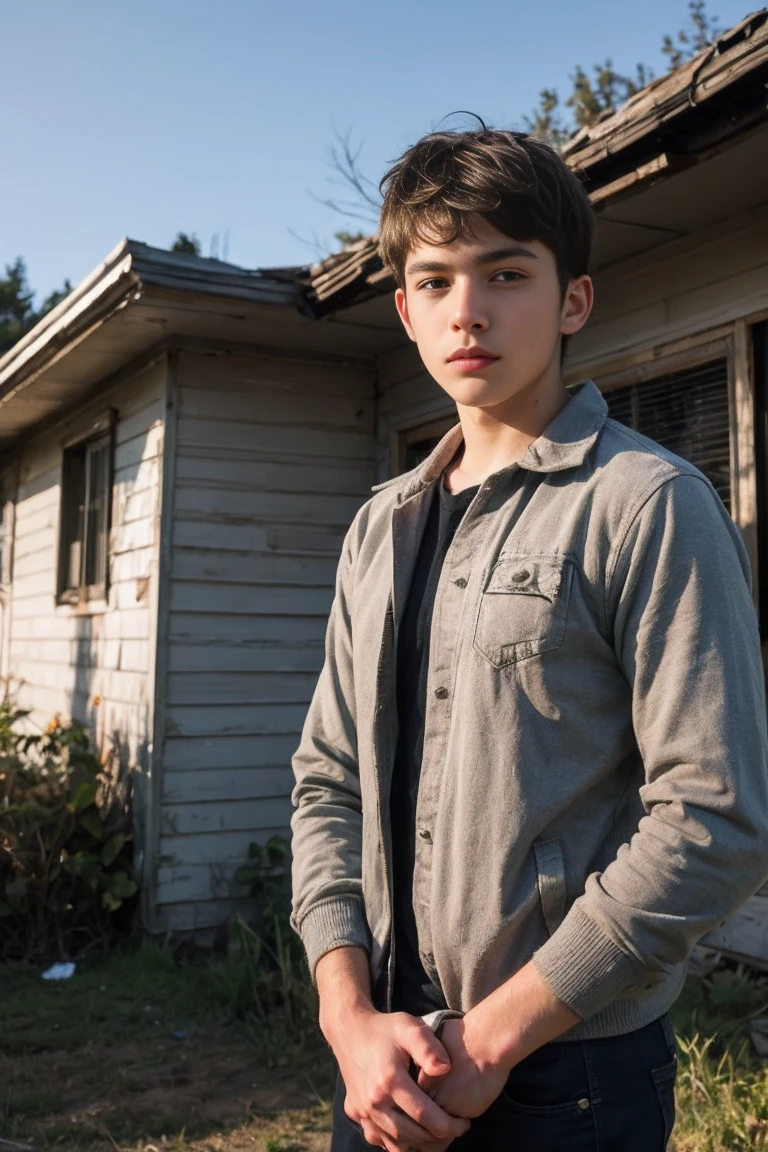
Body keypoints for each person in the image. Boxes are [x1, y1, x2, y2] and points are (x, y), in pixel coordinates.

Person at [289, 124, 768, 1152]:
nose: (469, 309)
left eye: (506, 272)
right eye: (436, 279)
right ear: (406, 310)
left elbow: (715, 818)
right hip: (378, 1063)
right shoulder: (381, 527)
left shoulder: (648, 505)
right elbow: (328, 781)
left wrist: (495, 1040)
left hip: (567, 1076)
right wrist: (346, 1018)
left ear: (572, 300)